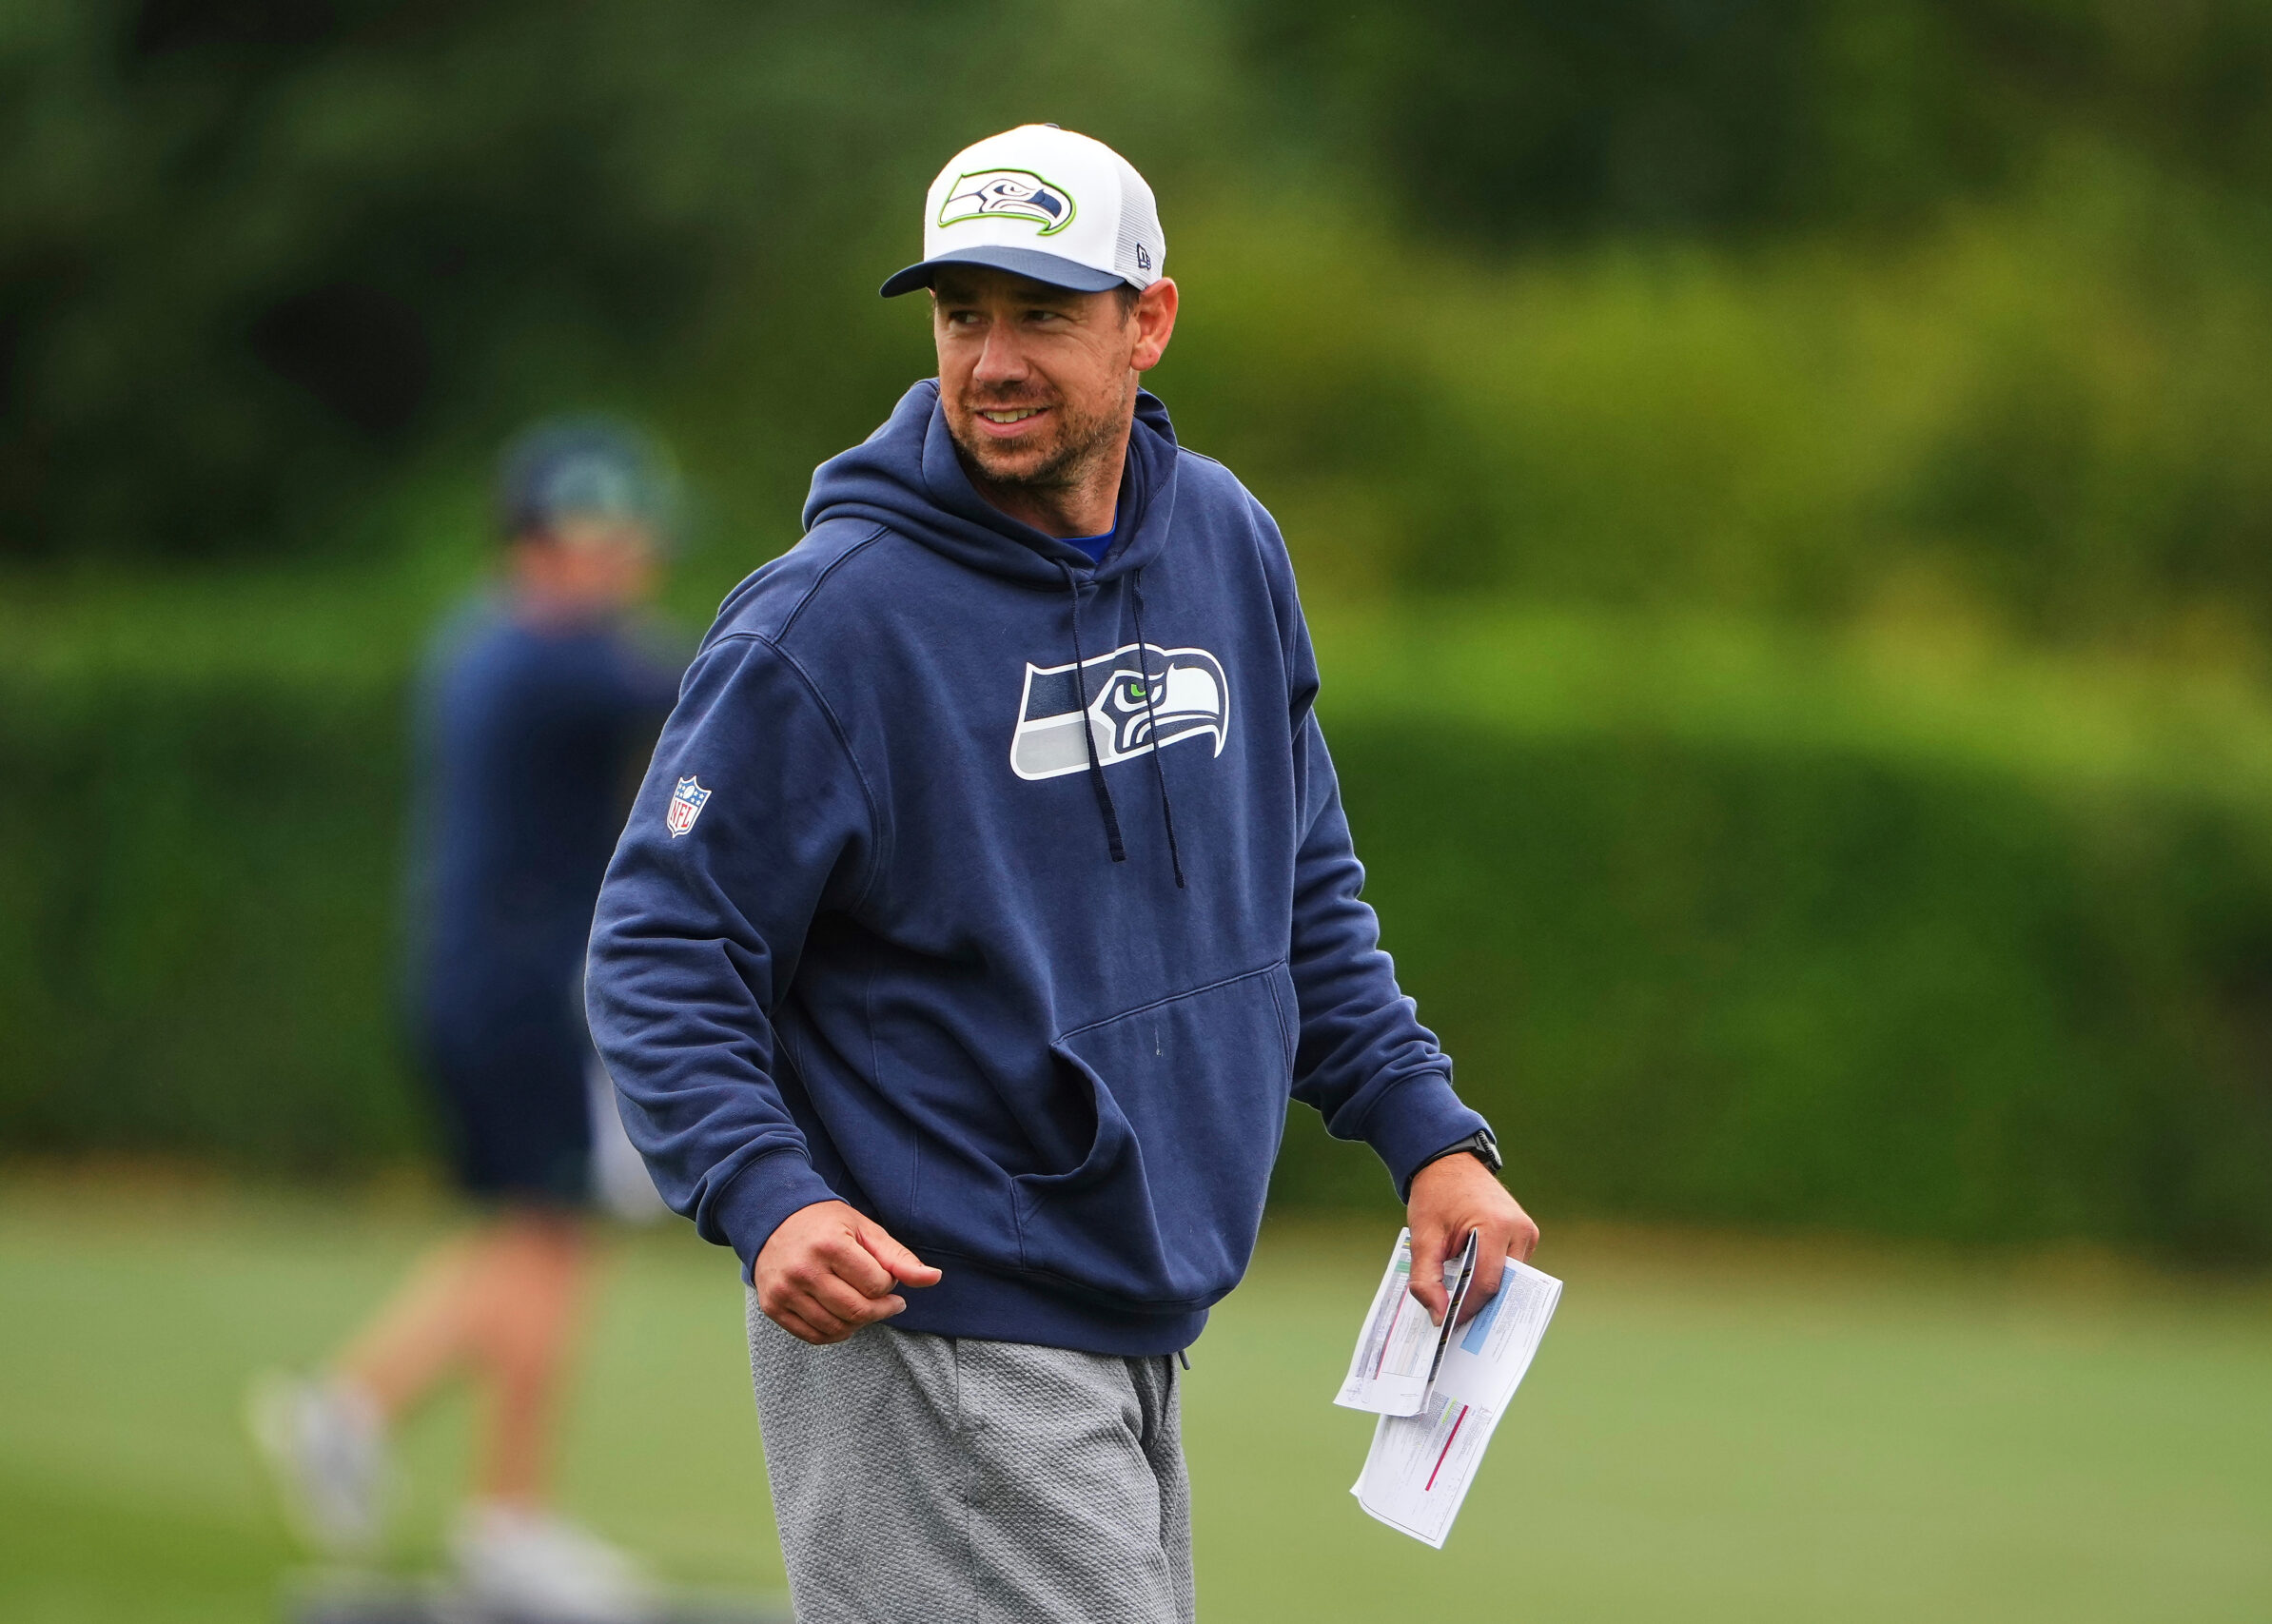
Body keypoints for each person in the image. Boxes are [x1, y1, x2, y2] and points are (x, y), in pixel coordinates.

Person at [586, 124, 1538, 1624]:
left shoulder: (1226, 543)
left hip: (1131, 1321)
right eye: (963, 314)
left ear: (1148, 321)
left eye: (1042, 313)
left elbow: (1298, 882)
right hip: (940, 1323)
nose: (993, 360)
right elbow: (660, 940)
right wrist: (766, 1190)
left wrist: (1431, 1136)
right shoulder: (833, 619)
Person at [251, 420, 683, 1620]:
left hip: (476, 986)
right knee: (549, 1239)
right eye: (610, 537)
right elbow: (726, 680)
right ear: (550, 540)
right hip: (515, 995)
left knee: (529, 1232)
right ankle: (502, 1516)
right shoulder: (559, 660)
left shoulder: (485, 641)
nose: (632, 559)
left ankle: (358, 1413)